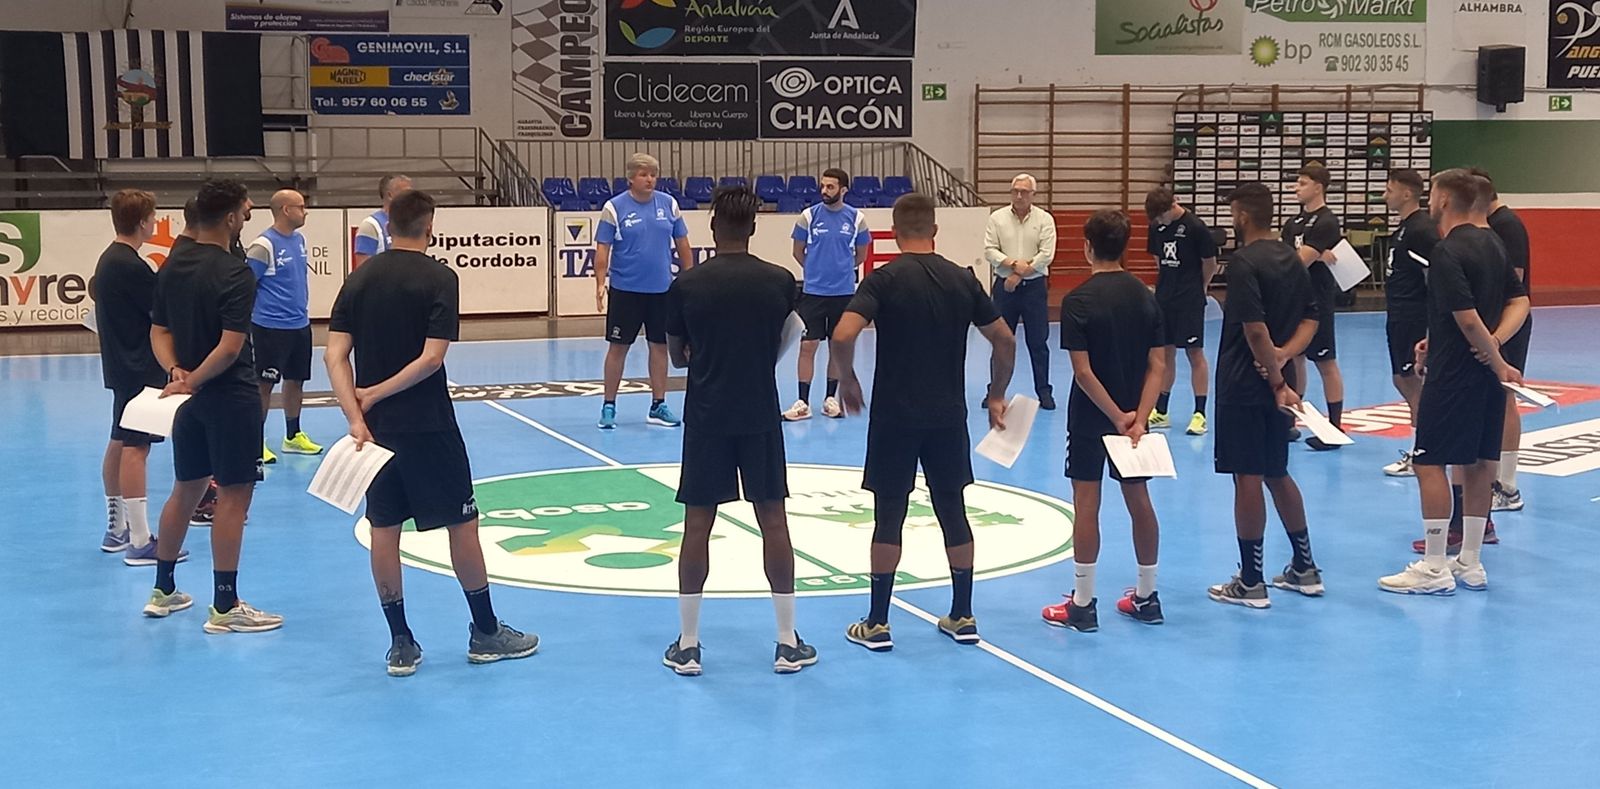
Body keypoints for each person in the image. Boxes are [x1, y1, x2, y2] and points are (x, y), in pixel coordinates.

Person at [325, 189, 540, 676]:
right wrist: (375, 394)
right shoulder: (441, 277)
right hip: (428, 425)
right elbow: (431, 359)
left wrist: (356, 416)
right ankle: (485, 631)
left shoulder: (358, 280)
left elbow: (334, 356)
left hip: (375, 433)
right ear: (429, 226)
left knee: (384, 529)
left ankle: (400, 642)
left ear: (388, 225)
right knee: (462, 524)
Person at [833, 193, 1017, 649]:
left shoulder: (883, 279)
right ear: (934, 231)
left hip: (895, 415)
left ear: (895, 234)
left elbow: (843, 334)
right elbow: (1005, 341)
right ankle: (963, 615)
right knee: (953, 509)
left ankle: (878, 623)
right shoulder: (962, 279)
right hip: (947, 414)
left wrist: (848, 380)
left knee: (889, 514)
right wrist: (996, 394)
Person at [661, 185, 817, 676]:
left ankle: (688, 644)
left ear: (713, 228)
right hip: (758, 413)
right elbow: (787, 337)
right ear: (753, 228)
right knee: (774, 521)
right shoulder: (780, 281)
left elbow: (675, 356)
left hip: (707, 414)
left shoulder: (686, 285)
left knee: (697, 525)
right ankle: (787, 641)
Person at [143, 179, 283, 633]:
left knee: (185, 489)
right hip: (230, 396)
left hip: (188, 401)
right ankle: (225, 605)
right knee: (233, 498)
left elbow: (159, 332)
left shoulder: (172, 264)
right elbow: (229, 347)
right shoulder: (234, 273)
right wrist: (194, 380)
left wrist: (176, 373)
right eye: (245, 212)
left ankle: (163, 590)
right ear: (229, 218)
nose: (247, 218)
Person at [1380, 170, 1529, 595]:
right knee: (1480, 464)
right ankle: (1470, 562)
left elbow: (1466, 318)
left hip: (1453, 375)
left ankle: (1433, 567)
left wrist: (1494, 358)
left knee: (1429, 463)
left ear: (1444, 200)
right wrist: (1496, 345)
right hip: (1483, 377)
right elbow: (1520, 300)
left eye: (1433, 194)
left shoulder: (1447, 250)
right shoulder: (1495, 244)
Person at [1040, 210, 1166, 631]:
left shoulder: (1078, 300)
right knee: (1140, 501)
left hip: (1092, 417)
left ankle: (1082, 603)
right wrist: (1138, 419)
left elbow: (1083, 372)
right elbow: (1158, 365)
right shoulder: (1147, 297)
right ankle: (1147, 596)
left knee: (1086, 504)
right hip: (1135, 421)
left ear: (1087, 247)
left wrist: (1116, 416)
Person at [1207, 182, 1324, 609]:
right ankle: (1305, 567)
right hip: (1283, 381)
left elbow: (1254, 329)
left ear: (1242, 215)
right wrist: (1285, 357)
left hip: (1246, 384)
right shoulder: (1291, 257)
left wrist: (1274, 378)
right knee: (1277, 470)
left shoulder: (1243, 263)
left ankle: (1251, 580)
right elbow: (1311, 318)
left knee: (1247, 476)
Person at [93, 188, 189, 567]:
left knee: (119, 440)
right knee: (136, 447)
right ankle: (138, 538)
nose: (155, 223)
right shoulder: (130, 266)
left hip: (121, 365)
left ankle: (116, 528)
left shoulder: (110, 260)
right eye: (152, 217)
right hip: (137, 368)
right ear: (141, 221)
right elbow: (160, 312)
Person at [594, 153, 694, 430]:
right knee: (618, 348)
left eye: (653, 174)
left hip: (661, 291)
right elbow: (602, 250)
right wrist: (600, 283)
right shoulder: (614, 208)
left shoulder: (668, 204)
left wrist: (690, 279)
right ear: (630, 178)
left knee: (659, 347)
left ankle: (658, 405)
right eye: (643, 174)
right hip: (625, 291)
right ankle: (609, 405)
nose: (649, 179)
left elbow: (683, 244)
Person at [783, 168, 871, 421]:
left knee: (836, 345)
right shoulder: (808, 217)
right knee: (808, 345)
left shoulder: (856, 219)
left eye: (830, 187)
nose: (824, 190)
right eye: (822, 186)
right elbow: (798, 251)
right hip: (813, 293)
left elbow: (861, 255)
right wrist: (815, 270)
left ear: (843, 190)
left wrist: (840, 271)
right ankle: (802, 401)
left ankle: (830, 399)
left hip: (843, 294)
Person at [246, 189, 323, 466]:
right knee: (264, 383)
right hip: (270, 328)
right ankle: (254, 441)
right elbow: (247, 286)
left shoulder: (299, 240)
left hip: (299, 324)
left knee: (296, 379)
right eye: (301, 206)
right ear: (286, 210)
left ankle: (292, 435)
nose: (305, 211)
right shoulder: (263, 245)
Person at [1472, 168, 1532, 514]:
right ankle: (1492, 478)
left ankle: (1507, 486)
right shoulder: (1490, 225)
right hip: (1490, 325)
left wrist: (1494, 334)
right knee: (1492, 399)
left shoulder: (1507, 225)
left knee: (1506, 396)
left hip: (1506, 325)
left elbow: (1513, 282)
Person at [1281, 164, 1348, 450]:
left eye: (1302, 183)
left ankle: (1335, 427)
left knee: (1325, 361)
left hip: (1318, 300)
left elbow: (1298, 261)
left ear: (1318, 187)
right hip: (1294, 298)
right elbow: (1287, 256)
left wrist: (1314, 255)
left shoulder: (1327, 221)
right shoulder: (1293, 222)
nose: (1296, 188)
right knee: (1295, 357)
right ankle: (1290, 420)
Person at [1378, 169, 1439, 478]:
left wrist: (1432, 324)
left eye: (1389, 190)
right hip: (1398, 314)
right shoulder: (1404, 228)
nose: (1384, 195)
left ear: (1406, 193)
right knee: (1401, 379)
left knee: (1413, 382)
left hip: (1414, 316)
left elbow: (1435, 277)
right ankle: (1425, 447)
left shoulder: (1421, 230)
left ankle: (1423, 453)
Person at [1143, 187, 1218, 436]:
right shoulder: (1157, 226)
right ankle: (1161, 410)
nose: (1159, 221)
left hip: (1190, 299)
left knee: (1194, 353)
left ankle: (1200, 414)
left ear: (1173, 206)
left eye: (1161, 216)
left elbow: (1210, 263)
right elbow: (1158, 259)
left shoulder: (1196, 227)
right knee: (1165, 354)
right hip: (1165, 298)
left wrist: (1200, 288)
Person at [983, 173, 1057, 409]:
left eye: (1024, 192)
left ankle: (1044, 392)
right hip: (1004, 288)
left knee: (1038, 342)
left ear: (1033, 194)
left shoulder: (1045, 219)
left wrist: (1019, 274)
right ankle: (994, 392)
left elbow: (1047, 254)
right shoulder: (997, 218)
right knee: (1000, 341)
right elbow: (990, 250)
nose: (1019, 195)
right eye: (1015, 191)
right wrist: (1014, 265)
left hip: (1034, 288)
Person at [353, 174, 412, 268]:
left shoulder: (411, 224)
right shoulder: (370, 226)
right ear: (390, 195)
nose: (411, 198)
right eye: (406, 194)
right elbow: (363, 271)